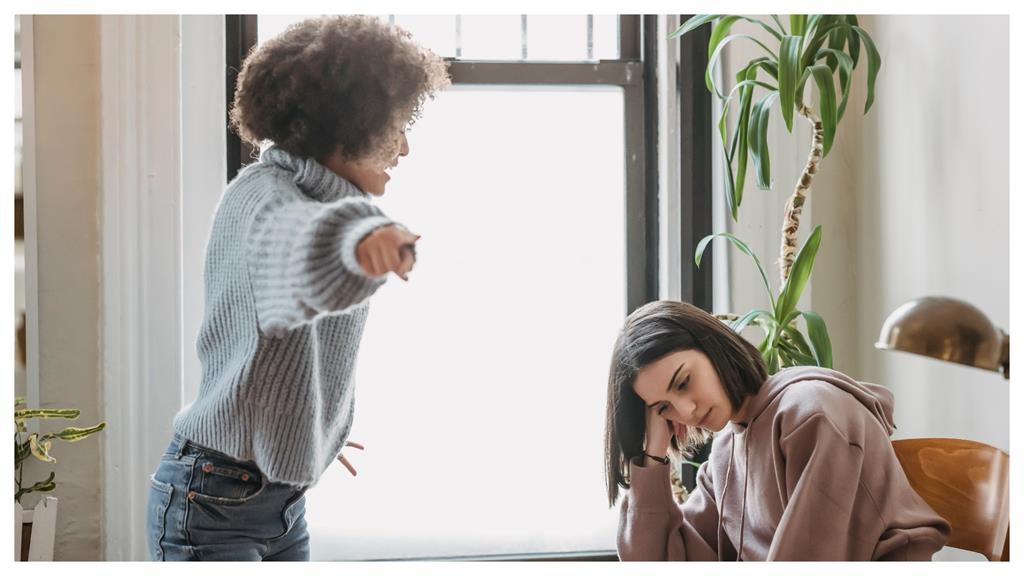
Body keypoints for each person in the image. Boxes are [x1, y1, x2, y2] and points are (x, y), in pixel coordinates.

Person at [147, 16, 449, 561]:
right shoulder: (264, 196)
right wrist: (361, 244)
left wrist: (312, 429)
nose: (403, 148)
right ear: (347, 123)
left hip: (278, 504)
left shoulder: (320, 199)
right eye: (397, 126)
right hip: (214, 501)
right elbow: (297, 250)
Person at [605, 300, 951, 561]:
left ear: (712, 346)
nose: (686, 411)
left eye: (683, 382)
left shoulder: (812, 414)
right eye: (664, 407)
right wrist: (651, 459)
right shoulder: (728, 449)